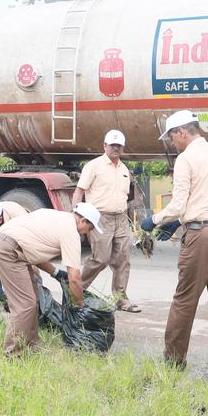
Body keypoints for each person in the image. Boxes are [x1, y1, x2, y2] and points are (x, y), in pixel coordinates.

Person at [140, 110, 208, 388]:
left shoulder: (186, 159)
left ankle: (173, 360)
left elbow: (178, 204)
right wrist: (177, 225)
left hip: (202, 238)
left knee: (184, 300)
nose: (172, 144)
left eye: (172, 137)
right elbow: (205, 197)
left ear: (182, 132)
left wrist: (153, 220)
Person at [0, 203, 103, 356]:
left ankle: (31, 346)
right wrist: (80, 305)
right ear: (83, 221)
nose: (87, 233)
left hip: (8, 244)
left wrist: (56, 273)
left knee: (34, 299)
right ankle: (12, 354)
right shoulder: (70, 231)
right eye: (90, 229)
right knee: (24, 304)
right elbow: (75, 278)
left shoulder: (58, 216)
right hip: (8, 250)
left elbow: (32, 249)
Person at [74, 128, 139, 312]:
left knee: (123, 260)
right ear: (105, 146)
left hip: (121, 218)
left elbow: (127, 198)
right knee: (100, 259)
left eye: (119, 145)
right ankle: (77, 290)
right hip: (100, 218)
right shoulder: (93, 166)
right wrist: (76, 217)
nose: (115, 148)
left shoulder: (124, 169)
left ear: (123, 148)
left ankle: (121, 299)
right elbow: (79, 191)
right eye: (112, 145)